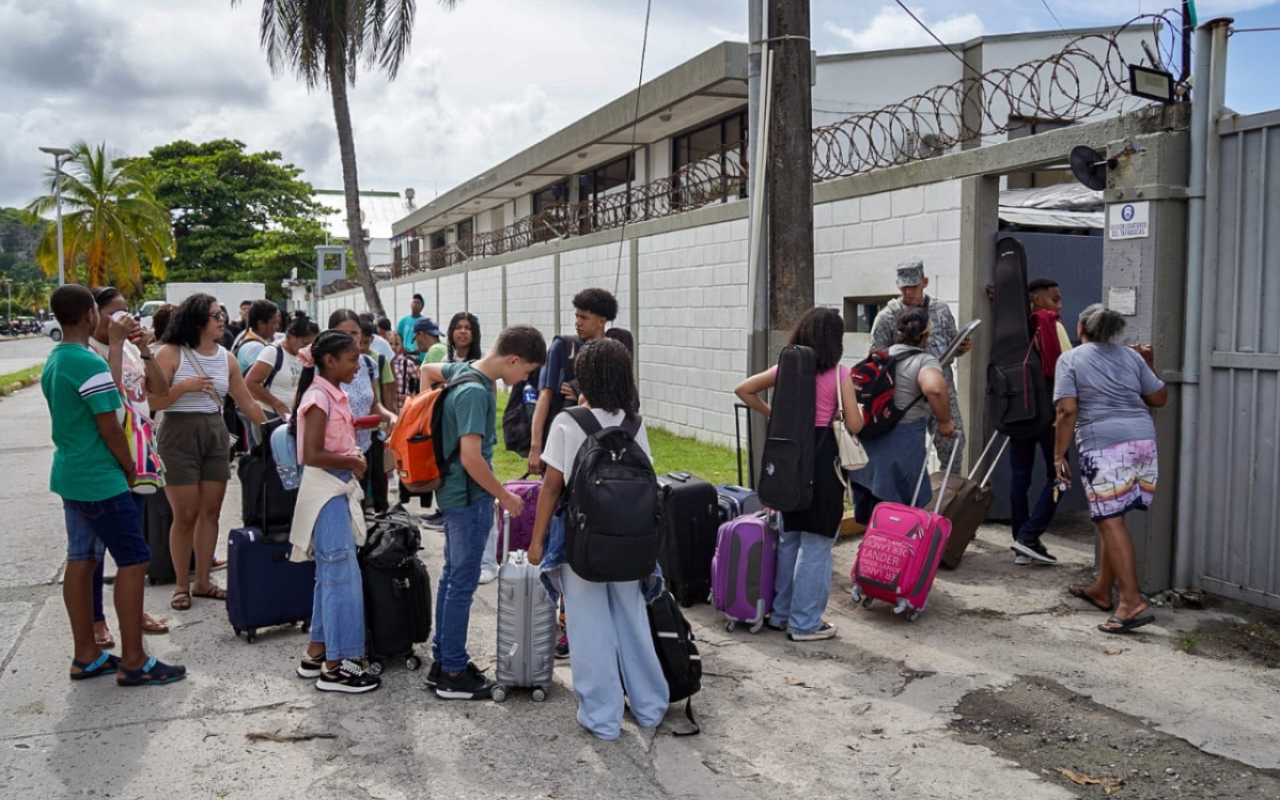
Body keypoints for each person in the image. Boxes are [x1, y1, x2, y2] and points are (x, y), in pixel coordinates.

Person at [41, 284, 186, 686]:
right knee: (134, 560)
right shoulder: (88, 364)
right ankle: (135, 660)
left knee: (82, 558)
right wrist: (128, 468)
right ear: (90, 314)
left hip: (72, 472)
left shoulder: (60, 358)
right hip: (101, 476)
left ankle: (86, 654)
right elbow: (111, 423)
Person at [527, 338, 667, 739]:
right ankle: (650, 706)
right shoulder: (634, 423)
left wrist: (537, 543)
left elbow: (551, 488)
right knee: (633, 620)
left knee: (589, 628)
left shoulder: (569, 422)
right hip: (631, 542)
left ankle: (602, 718)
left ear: (585, 377)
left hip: (582, 542)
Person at [420, 325, 547, 699]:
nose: (522, 379)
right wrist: (504, 496)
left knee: (451, 578)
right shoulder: (476, 391)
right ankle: (454, 673)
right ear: (513, 359)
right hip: (468, 497)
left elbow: (427, 373)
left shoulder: (464, 370)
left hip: (452, 493)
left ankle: (445, 660)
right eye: (524, 372)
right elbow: (471, 457)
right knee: (462, 583)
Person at [734, 308, 863, 642]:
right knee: (817, 545)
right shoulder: (840, 374)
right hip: (822, 464)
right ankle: (805, 623)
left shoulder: (787, 369)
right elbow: (854, 424)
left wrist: (775, 414)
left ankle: (780, 614)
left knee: (790, 538)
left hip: (790, 461)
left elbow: (744, 389)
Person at [151, 294, 269, 610]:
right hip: (178, 435)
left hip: (215, 435)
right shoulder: (170, 353)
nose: (222, 320)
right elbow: (154, 401)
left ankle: (202, 581)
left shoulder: (227, 358)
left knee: (211, 512)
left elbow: (246, 401)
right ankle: (181, 585)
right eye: (216, 315)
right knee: (185, 515)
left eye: (222, 314)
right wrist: (184, 388)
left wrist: (273, 429)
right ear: (197, 320)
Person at [1055, 305, 1167, 635]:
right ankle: (1102, 589)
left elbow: (1066, 411)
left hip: (1104, 446)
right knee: (1113, 518)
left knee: (1108, 520)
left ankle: (1130, 601)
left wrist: (1057, 455)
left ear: (1081, 328)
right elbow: (1159, 397)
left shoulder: (1071, 359)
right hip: (1143, 443)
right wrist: (1148, 363)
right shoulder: (1132, 357)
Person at [288, 330, 381, 693]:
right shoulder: (317, 397)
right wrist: (351, 462)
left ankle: (317, 652)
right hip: (325, 489)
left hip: (335, 486)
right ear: (329, 361)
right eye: (352, 359)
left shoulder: (332, 393)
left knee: (331, 574)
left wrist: (349, 457)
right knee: (341, 575)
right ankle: (336, 666)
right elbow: (311, 453)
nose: (358, 366)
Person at [87, 287, 171, 646]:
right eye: (115, 312)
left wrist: (146, 350)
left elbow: (160, 390)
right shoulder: (89, 354)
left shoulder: (134, 350)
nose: (125, 318)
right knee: (92, 551)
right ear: (94, 316)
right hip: (107, 461)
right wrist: (119, 345)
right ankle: (96, 620)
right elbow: (110, 393)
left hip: (140, 456)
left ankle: (132, 614)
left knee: (131, 544)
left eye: (127, 311)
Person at [851, 306, 957, 522]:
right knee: (898, 516)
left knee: (875, 515)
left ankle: (874, 551)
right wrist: (945, 421)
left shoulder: (879, 357)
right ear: (925, 335)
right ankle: (896, 553)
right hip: (901, 446)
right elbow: (934, 388)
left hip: (867, 446)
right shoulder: (923, 360)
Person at [870, 258, 970, 473]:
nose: (909, 292)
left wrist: (962, 347)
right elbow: (876, 358)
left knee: (953, 445)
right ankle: (909, 502)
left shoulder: (941, 310)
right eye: (904, 287)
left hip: (942, 389)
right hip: (906, 394)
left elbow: (952, 344)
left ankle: (946, 498)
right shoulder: (886, 317)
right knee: (906, 453)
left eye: (913, 286)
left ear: (924, 282)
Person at [1008, 278, 1073, 566]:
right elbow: (1070, 367)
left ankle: (1020, 540)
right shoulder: (1052, 324)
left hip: (1018, 412)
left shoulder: (1013, 326)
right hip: (1049, 416)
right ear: (1037, 300)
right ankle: (1029, 536)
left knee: (1019, 477)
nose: (1059, 306)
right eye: (1055, 299)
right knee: (1060, 475)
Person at [528, 288, 617, 475]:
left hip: (604, 444)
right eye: (576, 316)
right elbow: (545, 395)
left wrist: (581, 391)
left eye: (584, 318)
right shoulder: (562, 346)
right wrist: (536, 447)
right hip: (563, 440)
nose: (577, 323)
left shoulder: (615, 351)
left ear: (602, 321)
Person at [328, 310, 396, 513]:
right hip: (333, 453)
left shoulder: (368, 364)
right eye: (343, 333)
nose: (350, 339)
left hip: (364, 448)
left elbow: (374, 403)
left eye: (354, 333)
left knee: (360, 507)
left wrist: (391, 417)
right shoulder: (322, 366)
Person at [245, 316, 320, 420]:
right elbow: (250, 382)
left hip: (294, 416)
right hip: (270, 415)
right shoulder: (273, 352)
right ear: (291, 335)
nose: (308, 348)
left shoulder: (307, 356)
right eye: (305, 343)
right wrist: (277, 405)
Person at [234, 300, 282, 374]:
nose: (277, 327)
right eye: (274, 323)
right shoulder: (256, 348)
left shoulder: (245, 336)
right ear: (261, 324)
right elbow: (257, 381)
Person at [397, 294, 426, 361]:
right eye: (414, 302)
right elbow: (398, 338)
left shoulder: (424, 322)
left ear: (422, 307)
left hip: (419, 358)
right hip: (405, 356)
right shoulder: (403, 321)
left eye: (418, 303)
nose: (415, 304)